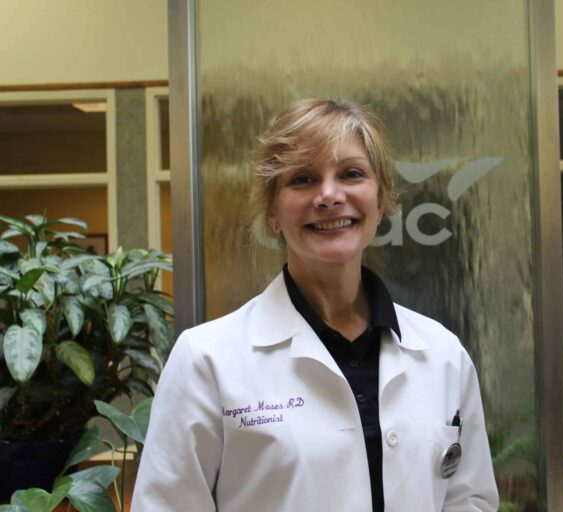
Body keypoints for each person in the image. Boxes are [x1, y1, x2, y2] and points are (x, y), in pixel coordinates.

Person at [132, 99, 499, 511]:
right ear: (273, 212)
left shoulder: (443, 354)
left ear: (381, 202)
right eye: (303, 178)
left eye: (351, 174)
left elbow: (470, 500)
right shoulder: (206, 361)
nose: (328, 196)